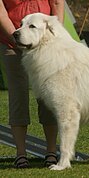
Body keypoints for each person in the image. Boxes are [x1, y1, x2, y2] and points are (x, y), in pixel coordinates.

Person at [0, 0, 64, 168]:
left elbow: (57, 4)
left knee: (49, 96)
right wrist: (17, 39)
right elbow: (0, 12)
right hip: (11, 42)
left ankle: (51, 151)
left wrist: (56, 37)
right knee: (18, 97)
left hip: (45, 44)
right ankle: (21, 154)